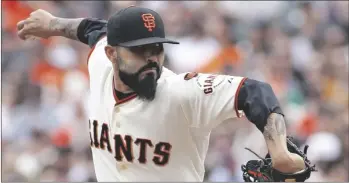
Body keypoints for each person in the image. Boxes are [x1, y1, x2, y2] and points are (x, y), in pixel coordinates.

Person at [17, 6, 309, 182]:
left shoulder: (181, 93)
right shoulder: (99, 62)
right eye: (139, 51)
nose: (151, 58)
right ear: (112, 54)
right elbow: (93, 30)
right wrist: (52, 25)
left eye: (156, 48)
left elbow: (254, 92)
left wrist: (279, 151)